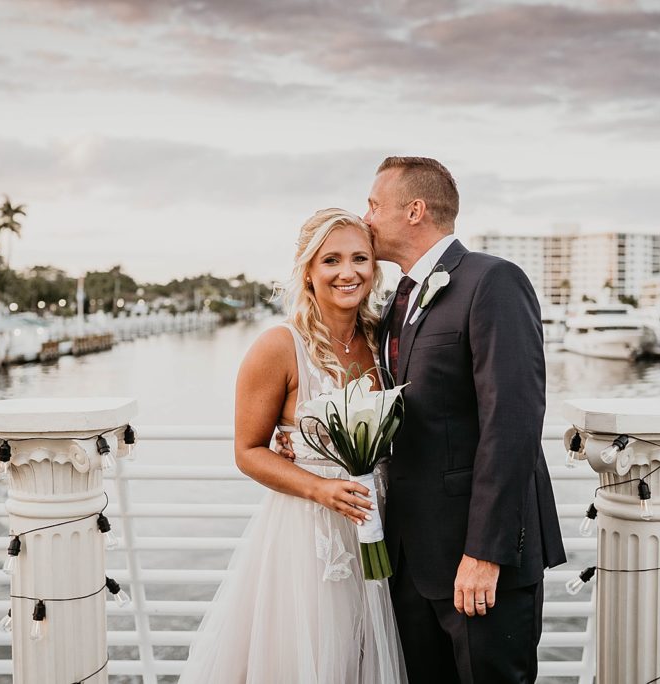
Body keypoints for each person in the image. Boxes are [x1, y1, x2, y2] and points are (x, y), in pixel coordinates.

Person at [178, 209, 407, 683]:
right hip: (309, 535)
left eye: (360, 258)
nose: (348, 272)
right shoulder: (279, 346)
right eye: (332, 260)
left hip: (381, 524)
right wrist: (319, 489)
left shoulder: (384, 339)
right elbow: (248, 451)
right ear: (308, 269)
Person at [364, 156, 566, 683]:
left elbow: (513, 421)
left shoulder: (492, 280)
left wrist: (484, 551)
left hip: (478, 561)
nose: (365, 217)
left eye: (373, 204)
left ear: (414, 210)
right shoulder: (397, 302)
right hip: (412, 559)